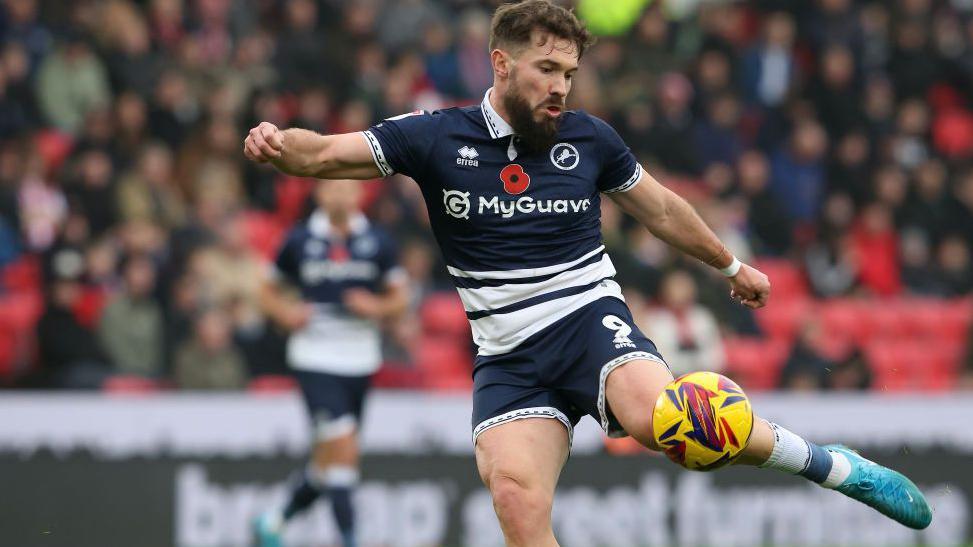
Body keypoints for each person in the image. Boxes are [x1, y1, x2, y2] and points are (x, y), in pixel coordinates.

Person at [243, 2, 932, 544]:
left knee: (673, 420)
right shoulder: (434, 137)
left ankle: (833, 465)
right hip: (508, 355)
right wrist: (278, 144)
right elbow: (323, 155)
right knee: (514, 499)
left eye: (569, 73)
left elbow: (659, 207)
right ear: (500, 62)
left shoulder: (588, 138)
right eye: (547, 69)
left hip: (587, 322)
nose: (560, 87)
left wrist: (729, 262)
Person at [253, 179, 409, 547]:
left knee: (330, 460)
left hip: (361, 358)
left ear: (360, 195)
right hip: (315, 356)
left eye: (347, 188)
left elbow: (400, 298)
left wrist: (376, 307)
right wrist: (286, 313)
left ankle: (274, 521)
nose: (339, 195)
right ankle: (350, 538)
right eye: (331, 188)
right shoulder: (299, 238)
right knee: (342, 449)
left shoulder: (379, 241)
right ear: (319, 194)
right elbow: (264, 288)